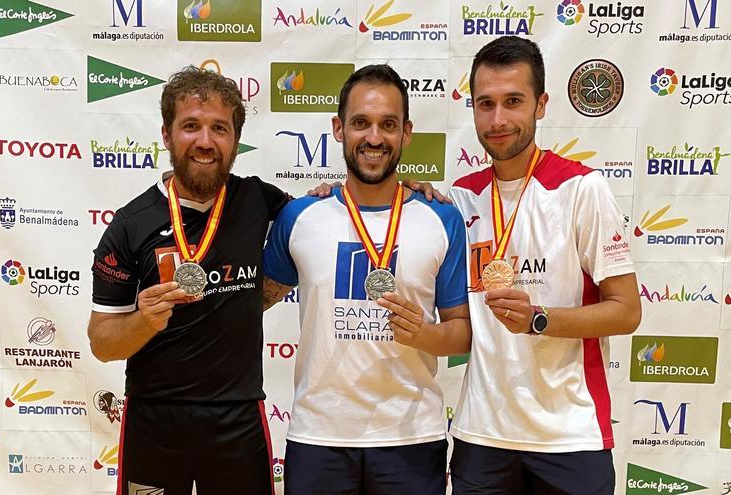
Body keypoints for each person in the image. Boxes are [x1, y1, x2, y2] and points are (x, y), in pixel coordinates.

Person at [260, 64, 471, 495]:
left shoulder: (442, 218)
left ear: (406, 133)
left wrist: (424, 334)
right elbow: (249, 301)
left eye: (388, 125)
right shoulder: (300, 216)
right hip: (319, 436)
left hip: (411, 438)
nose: (374, 137)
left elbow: (462, 334)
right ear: (338, 129)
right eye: (361, 123)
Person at [446, 36, 641, 494]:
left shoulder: (581, 189)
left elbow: (626, 310)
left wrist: (539, 319)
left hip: (569, 435)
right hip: (482, 434)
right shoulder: (459, 198)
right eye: (485, 104)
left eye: (513, 101)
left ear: (541, 104)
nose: (498, 120)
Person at [87, 66, 291, 495]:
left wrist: (408, 191)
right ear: (166, 134)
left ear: (235, 140)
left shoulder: (258, 200)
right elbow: (102, 342)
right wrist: (142, 322)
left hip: (237, 420)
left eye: (219, 128)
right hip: (155, 420)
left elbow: (331, 219)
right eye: (190, 126)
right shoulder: (130, 224)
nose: (205, 141)